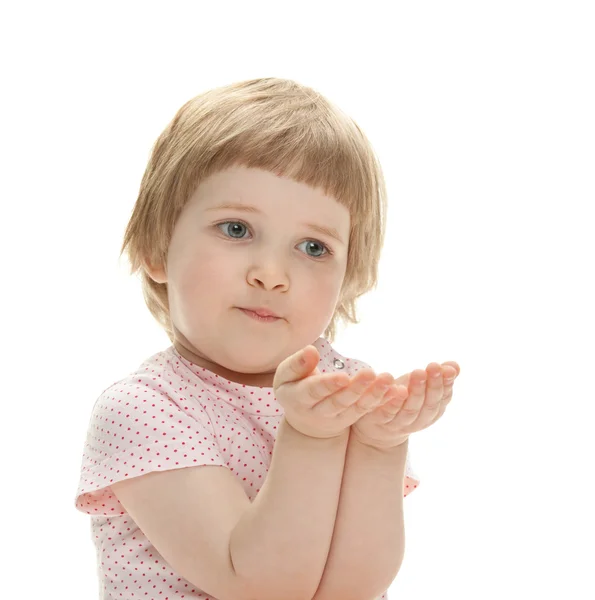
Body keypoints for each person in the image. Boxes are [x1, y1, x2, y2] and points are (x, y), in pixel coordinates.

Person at [74, 77, 459, 600]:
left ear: (348, 278)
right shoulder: (144, 408)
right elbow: (262, 586)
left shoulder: (345, 389)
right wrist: (312, 437)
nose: (272, 274)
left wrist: (379, 445)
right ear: (157, 248)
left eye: (313, 247)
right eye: (236, 229)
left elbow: (353, 589)